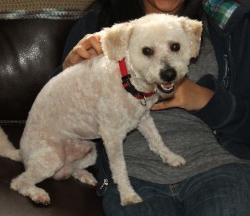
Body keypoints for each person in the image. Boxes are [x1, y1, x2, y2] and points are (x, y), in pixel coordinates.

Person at [54, 0, 250, 215]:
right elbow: (57, 124)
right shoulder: (97, 27)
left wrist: (206, 100)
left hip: (219, 166)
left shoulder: (230, 25)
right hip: (132, 177)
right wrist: (68, 76)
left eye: (175, 47)